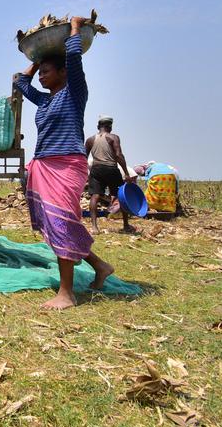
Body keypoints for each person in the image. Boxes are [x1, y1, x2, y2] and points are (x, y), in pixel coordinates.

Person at [14, 17, 116, 310]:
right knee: (59, 223)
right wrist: (36, 58)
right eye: (41, 73)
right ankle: (100, 266)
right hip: (44, 165)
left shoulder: (74, 93)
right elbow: (21, 82)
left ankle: (67, 293)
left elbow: (73, 58)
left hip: (67, 165)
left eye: (47, 72)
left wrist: (73, 29)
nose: (42, 77)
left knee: (61, 222)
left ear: (63, 72)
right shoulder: (45, 101)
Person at [86, 116, 136, 233]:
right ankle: (126, 225)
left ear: (98, 127)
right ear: (110, 127)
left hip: (96, 169)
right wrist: (127, 173)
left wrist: (86, 173)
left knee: (95, 196)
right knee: (120, 195)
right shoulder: (113, 137)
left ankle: (94, 227)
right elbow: (119, 155)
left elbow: (84, 157)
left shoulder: (90, 140)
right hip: (111, 168)